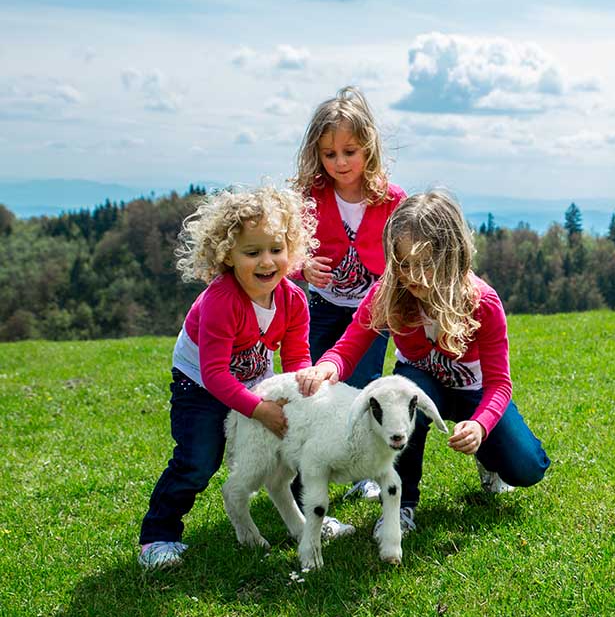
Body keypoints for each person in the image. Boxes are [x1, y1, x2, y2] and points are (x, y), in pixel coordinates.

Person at [295, 190, 551, 536]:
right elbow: (350, 343)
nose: (411, 275)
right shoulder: (389, 291)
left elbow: (500, 385)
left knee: (527, 468)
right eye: (402, 264)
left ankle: (489, 460)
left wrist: (479, 425)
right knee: (400, 403)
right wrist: (328, 367)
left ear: (451, 256)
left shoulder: (483, 302)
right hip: (419, 382)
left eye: (424, 263)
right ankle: (401, 507)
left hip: (473, 393)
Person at [137, 186, 354, 570]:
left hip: (255, 378)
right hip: (200, 385)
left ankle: (308, 523)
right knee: (198, 460)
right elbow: (215, 374)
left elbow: (297, 357)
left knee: (298, 445)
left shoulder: (293, 300)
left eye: (276, 249)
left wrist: (303, 387)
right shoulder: (221, 301)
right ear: (227, 256)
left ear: (292, 249)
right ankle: (159, 536)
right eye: (252, 253)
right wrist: (259, 410)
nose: (266, 261)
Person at [291, 86, 406, 502]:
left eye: (350, 151)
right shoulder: (310, 197)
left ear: (369, 149)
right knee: (315, 387)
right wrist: (301, 268)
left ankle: (364, 470)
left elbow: (402, 256)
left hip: (372, 313)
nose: (340, 162)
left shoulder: (392, 199)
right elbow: (281, 253)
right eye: (329, 154)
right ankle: (306, 466)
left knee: (363, 389)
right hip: (321, 308)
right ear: (317, 155)